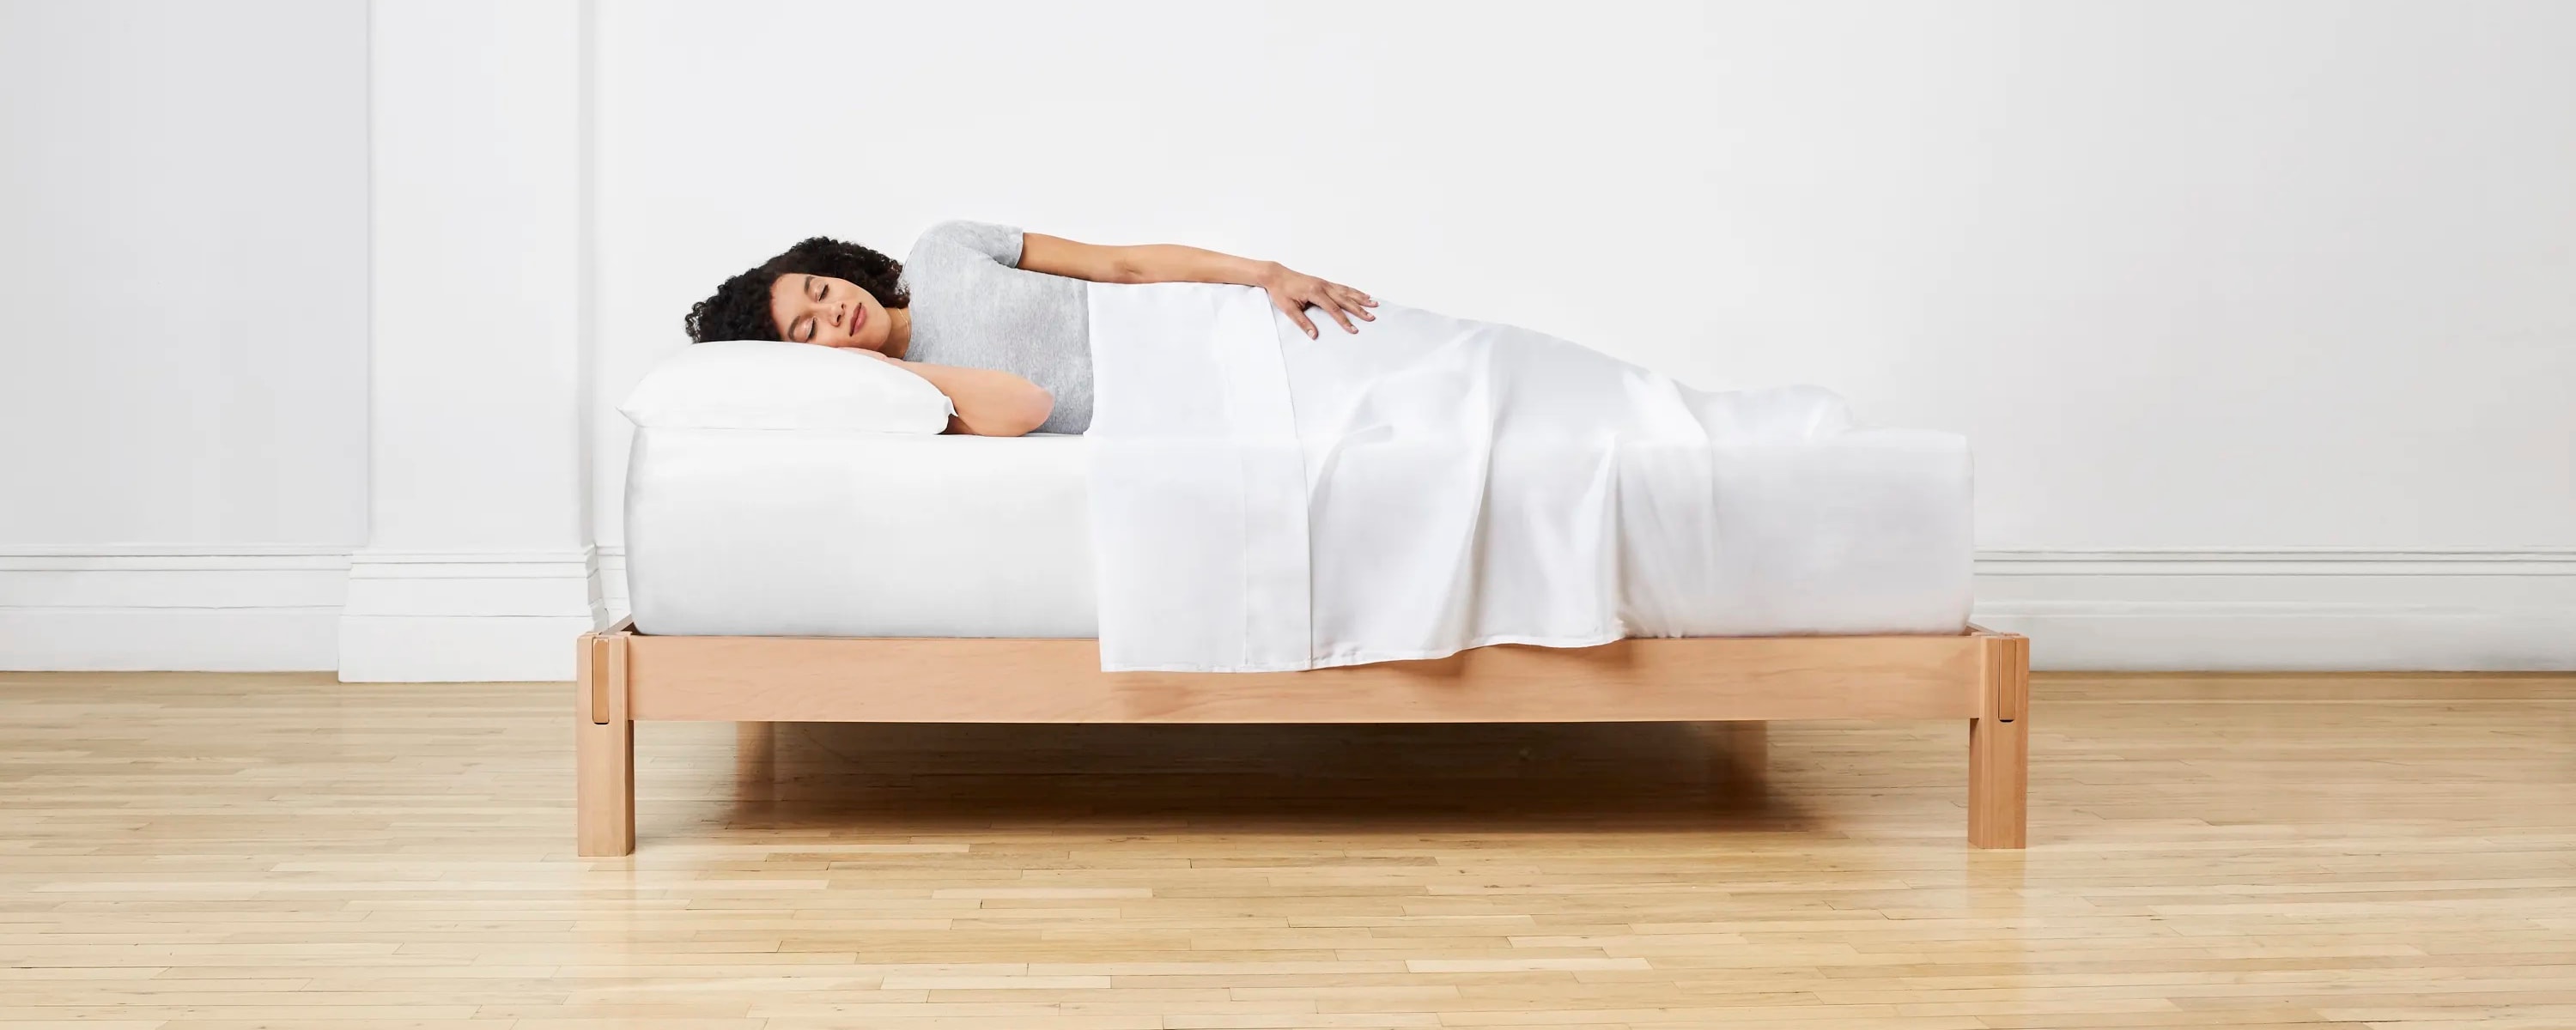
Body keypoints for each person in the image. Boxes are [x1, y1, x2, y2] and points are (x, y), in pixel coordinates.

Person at [683, 221, 1378, 436]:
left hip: (1222, 327)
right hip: (1197, 407)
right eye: (808, 332)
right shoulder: (915, 401)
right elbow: (1031, 405)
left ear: (830, 270)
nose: (833, 308)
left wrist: (1266, 272)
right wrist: (881, 374)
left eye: (818, 289)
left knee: (1431, 356)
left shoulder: (943, 248)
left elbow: (1124, 266)